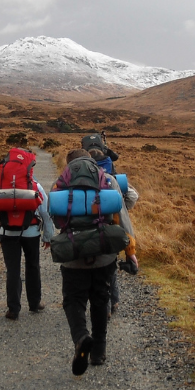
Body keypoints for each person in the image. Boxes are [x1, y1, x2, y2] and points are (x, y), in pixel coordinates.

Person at [52, 149, 138, 375]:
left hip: (73, 254)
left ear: (69, 165)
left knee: (73, 300)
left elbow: (56, 218)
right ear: (92, 163)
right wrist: (130, 252)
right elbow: (121, 217)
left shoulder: (60, 182)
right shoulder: (108, 180)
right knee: (101, 298)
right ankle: (99, 351)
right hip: (104, 252)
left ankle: (81, 337)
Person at [0, 173, 54, 321]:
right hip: (31, 233)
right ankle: (35, 302)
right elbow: (45, 212)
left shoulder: (0, 186)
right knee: (33, 265)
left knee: (12, 269)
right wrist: (48, 236)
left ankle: (13, 308)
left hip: (7, 232)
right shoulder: (35, 185)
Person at [88, 148, 139, 317]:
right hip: (112, 228)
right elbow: (133, 196)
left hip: (89, 228)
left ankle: (104, 304)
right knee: (110, 267)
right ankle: (113, 302)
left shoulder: (81, 177)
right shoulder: (111, 179)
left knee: (95, 269)